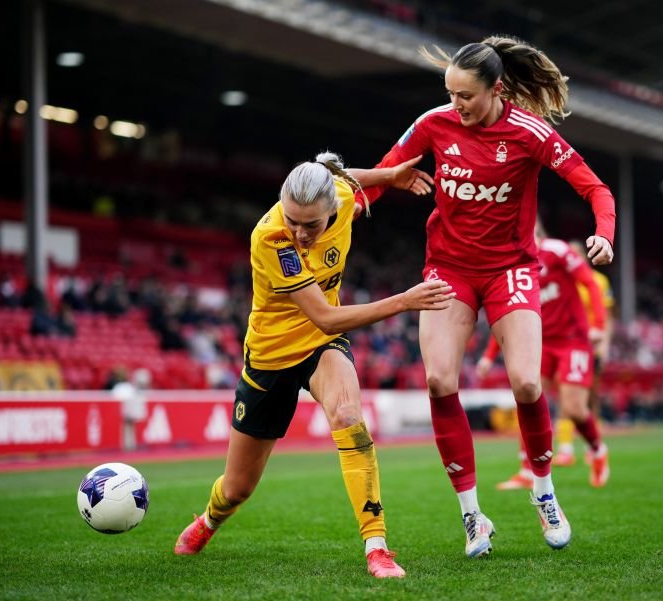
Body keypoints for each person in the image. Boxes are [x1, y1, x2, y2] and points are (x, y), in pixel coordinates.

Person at [359, 35, 616, 555]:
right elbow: (385, 171)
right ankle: (473, 515)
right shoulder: (434, 123)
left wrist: (604, 233)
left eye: (466, 96)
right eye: (450, 94)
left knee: (525, 383)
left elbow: (595, 188)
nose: (456, 104)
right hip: (448, 268)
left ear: (496, 89)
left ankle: (544, 494)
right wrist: (346, 199)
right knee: (438, 380)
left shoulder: (530, 132)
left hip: (510, 270)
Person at [173, 151, 455, 579]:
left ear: (336, 210)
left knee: (348, 416)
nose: (300, 233)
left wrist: (390, 176)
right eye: (293, 220)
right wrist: (404, 301)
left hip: (321, 347)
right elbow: (324, 315)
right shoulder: (271, 239)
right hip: (270, 356)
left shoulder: (340, 195)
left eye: (311, 224)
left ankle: (376, 547)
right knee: (237, 488)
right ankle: (209, 520)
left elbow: (341, 176)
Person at [479, 221, 611, 489]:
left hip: (573, 341)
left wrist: (597, 326)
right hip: (538, 343)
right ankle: (527, 471)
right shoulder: (512, 265)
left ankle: (597, 450)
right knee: (525, 396)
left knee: (574, 408)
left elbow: (591, 283)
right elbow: (507, 313)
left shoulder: (558, 251)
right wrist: (488, 356)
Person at [549, 239, 616, 464]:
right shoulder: (561, 280)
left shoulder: (598, 281)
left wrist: (604, 342)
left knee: (591, 398)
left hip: (591, 343)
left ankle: (592, 446)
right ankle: (566, 447)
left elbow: (607, 315)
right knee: (566, 396)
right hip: (568, 343)